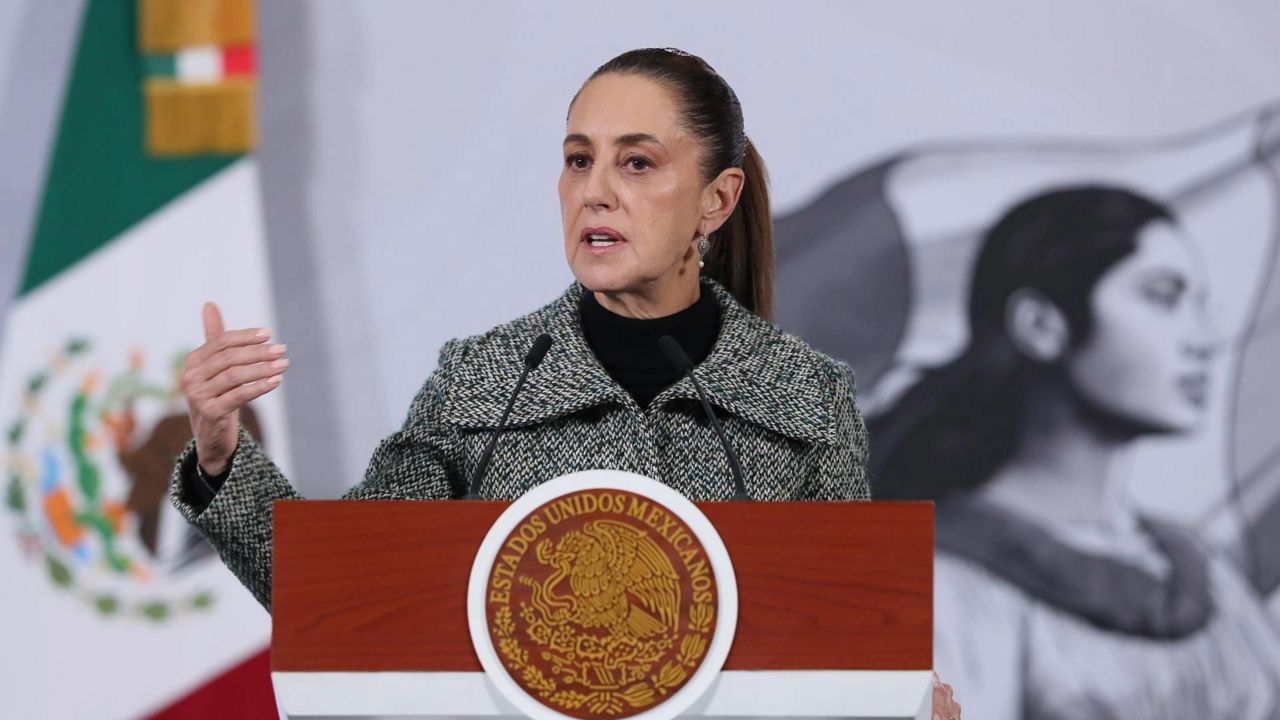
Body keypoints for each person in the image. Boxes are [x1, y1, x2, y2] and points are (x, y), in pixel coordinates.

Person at [168, 47, 966, 720]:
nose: (595, 190)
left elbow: (843, 647)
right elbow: (341, 597)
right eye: (579, 159)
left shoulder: (807, 395)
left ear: (716, 200)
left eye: (637, 163)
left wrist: (900, 702)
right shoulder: (480, 381)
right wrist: (220, 456)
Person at [870, 186, 1280, 719]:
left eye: (1200, 306)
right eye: (1163, 297)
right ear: (1041, 325)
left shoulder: (1207, 576)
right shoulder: (937, 582)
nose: (1202, 340)